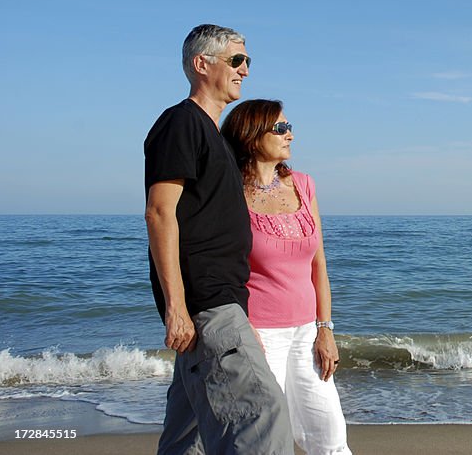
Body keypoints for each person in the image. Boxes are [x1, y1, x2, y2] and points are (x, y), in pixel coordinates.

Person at [144, 25, 293, 455]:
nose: (245, 70)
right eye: (236, 60)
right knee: (262, 416)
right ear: (201, 63)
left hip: (221, 305)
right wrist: (176, 308)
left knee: (186, 436)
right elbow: (160, 212)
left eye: (247, 61)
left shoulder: (216, 138)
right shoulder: (181, 122)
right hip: (207, 304)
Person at [221, 99, 353, 455]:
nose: (289, 134)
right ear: (250, 137)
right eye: (279, 128)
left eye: (289, 126)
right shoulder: (229, 193)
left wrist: (325, 329)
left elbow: (318, 264)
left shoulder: (304, 185)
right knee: (263, 437)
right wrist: (243, 329)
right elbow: (219, 267)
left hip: (307, 332)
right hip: (259, 334)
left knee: (329, 434)